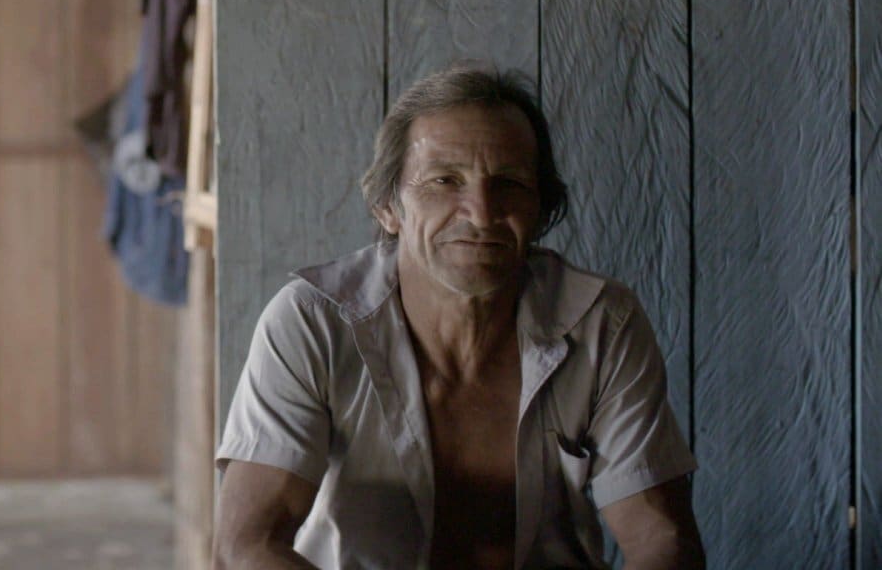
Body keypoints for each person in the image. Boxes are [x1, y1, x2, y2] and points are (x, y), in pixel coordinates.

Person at [212, 66, 704, 569]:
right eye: (444, 181)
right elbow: (246, 547)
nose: (482, 212)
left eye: (509, 182)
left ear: (540, 208)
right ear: (387, 207)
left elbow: (662, 540)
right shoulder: (313, 323)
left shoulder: (602, 323)